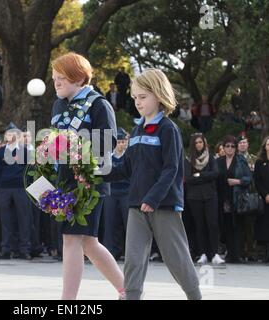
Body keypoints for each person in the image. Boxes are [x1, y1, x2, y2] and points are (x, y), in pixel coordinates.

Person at [104, 68, 201, 300]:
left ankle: (195, 295)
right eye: (135, 97)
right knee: (134, 259)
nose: (137, 102)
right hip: (137, 205)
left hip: (163, 205)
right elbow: (126, 168)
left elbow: (172, 169)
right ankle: (132, 296)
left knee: (176, 257)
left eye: (143, 97)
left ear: (158, 95)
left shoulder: (169, 129)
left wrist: (153, 198)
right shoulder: (136, 130)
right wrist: (96, 174)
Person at [51, 52, 124, 300]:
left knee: (71, 239)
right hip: (65, 180)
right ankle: (128, 290)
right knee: (88, 243)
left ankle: (67, 301)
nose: (56, 82)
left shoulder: (98, 104)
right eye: (54, 78)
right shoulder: (59, 104)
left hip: (88, 182)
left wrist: (75, 144)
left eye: (62, 78)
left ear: (80, 78)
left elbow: (109, 143)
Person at [184, 133, 224, 264]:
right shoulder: (189, 159)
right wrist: (204, 176)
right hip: (194, 197)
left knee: (212, 224)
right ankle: (202, 253)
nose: (198, 145)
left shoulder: (211, 158)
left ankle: (215, 253)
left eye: (200, 142)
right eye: (196, 143)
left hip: (210, 195)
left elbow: (215, 174)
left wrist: (198, 175)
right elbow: (188, 178)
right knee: (199, 225)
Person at [0, 123, 32, 260]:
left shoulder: (25, 151)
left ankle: (24, 249)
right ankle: (6, 249)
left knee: (23, 219)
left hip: (20, 188)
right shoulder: (1, 151)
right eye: (7, 134)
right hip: (5, 188)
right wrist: (2, 182)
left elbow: (29, 170)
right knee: (6, 220)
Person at [216, 135, 252, 263]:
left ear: (236, 148)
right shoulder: (218, 161)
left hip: (237, 198)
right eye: (227, 146)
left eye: (232, 146)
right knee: (226, 226)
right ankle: (229, 254)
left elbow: (248, 179)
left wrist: (237, 181)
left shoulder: (240, 160)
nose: (230, 148)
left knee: (237, 226)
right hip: (223, 199)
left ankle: (237, 255)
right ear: (223, 148)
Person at [102, 128, 130, 260]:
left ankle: (129, 252)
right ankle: (111, 252)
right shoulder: (109, 157)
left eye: (123, 141)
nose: (121, 144)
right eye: (118, 142)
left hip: (126, 192)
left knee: (129, 223)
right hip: (111, 192)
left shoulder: (129, 157)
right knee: (110, 223)